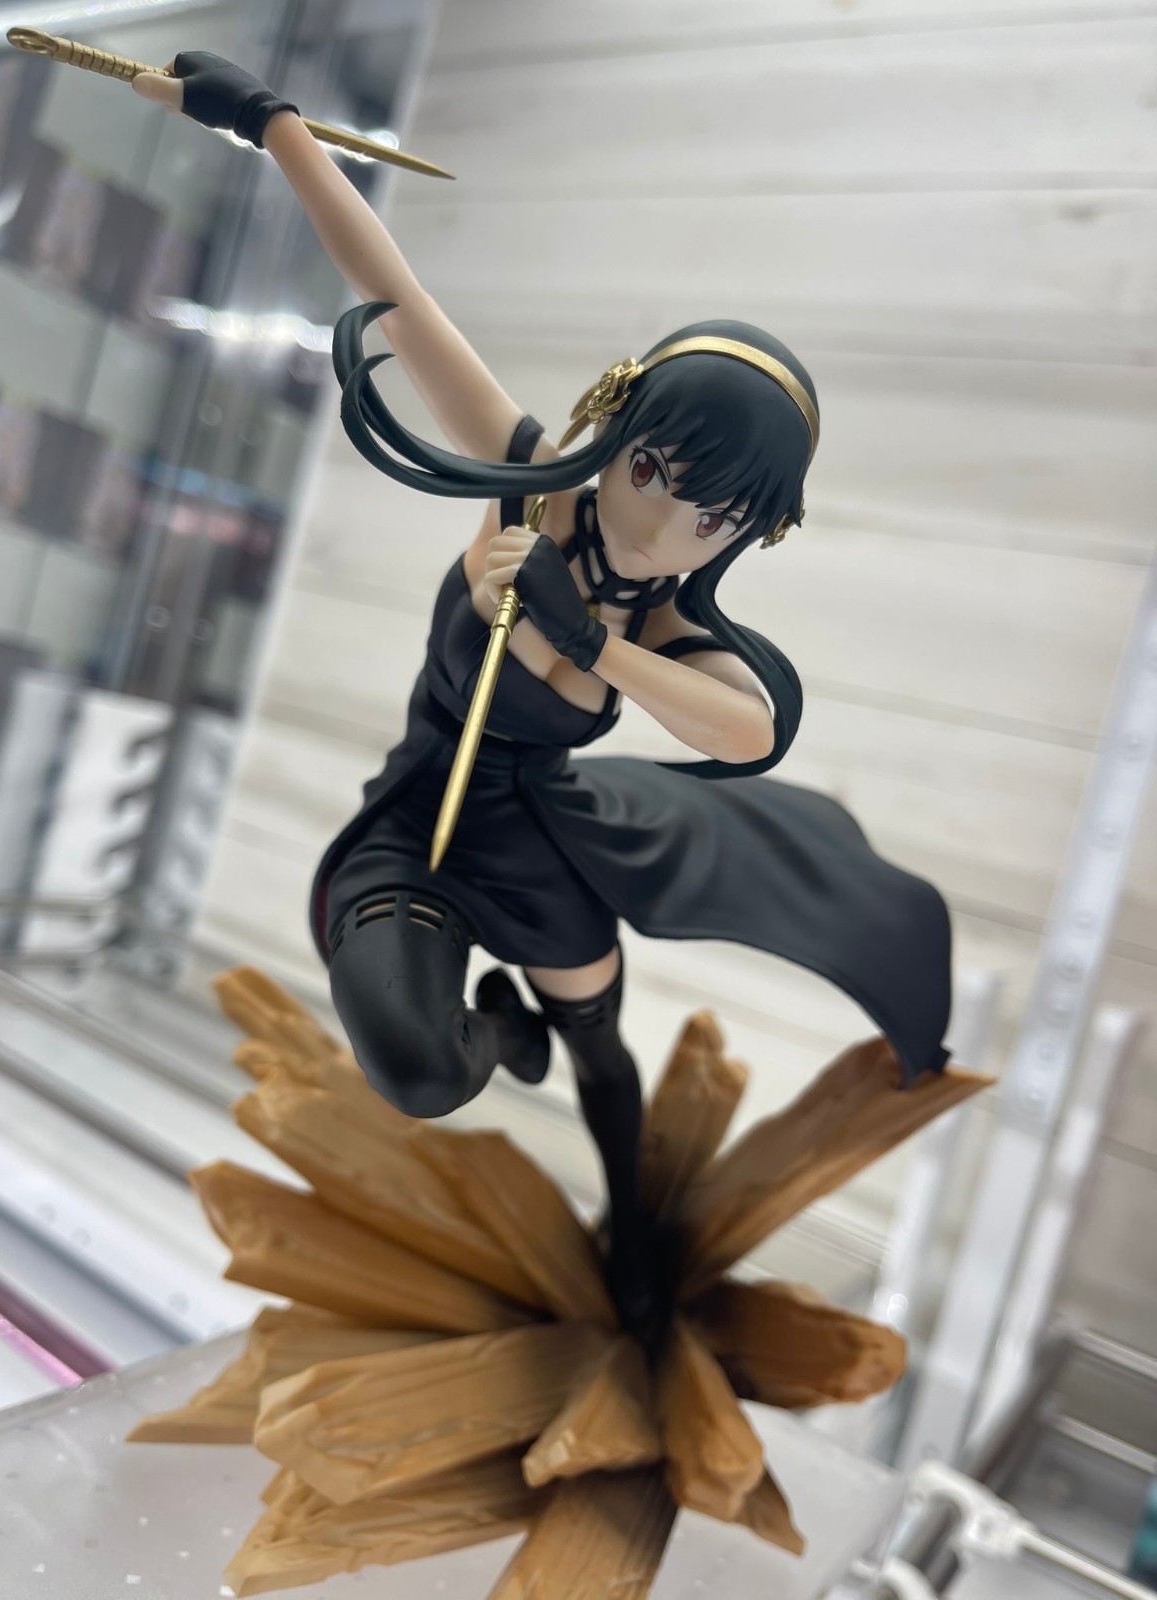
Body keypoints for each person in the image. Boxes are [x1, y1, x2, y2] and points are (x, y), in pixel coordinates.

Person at [135, 55, 953, 1328]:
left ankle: (633, 1238)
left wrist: (595, 642)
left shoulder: (672, 620)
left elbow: (750, 729)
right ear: (618, 427)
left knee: (601, 1049)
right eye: (656, 474)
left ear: (750, 533)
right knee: (417, 1064)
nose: (664, 525)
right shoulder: (533, 485)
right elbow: (394, 296)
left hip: (538, 844)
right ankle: (501, 1039)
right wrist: (272, 122)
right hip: (420, 820)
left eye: (713, 517)